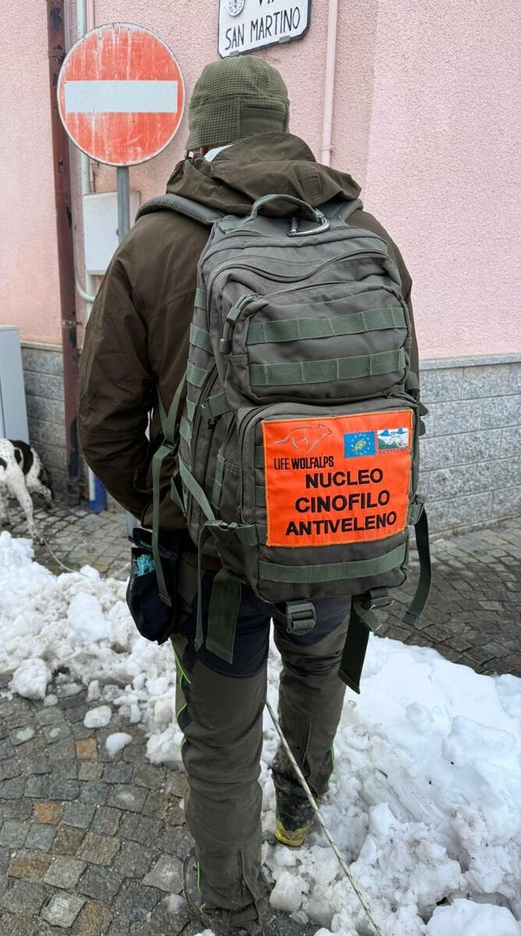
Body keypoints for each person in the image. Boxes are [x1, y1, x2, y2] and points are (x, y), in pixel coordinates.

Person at [78, 55, 416, 936]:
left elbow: (104, 427)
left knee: (221, 740)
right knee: (316, 672)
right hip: (335, 522)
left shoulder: (153, 244)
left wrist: (169, 514)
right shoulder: (367, 232)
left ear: (200, 133)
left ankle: (232, 907)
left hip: (215, 554)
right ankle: (300, 811)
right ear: (282, 125)